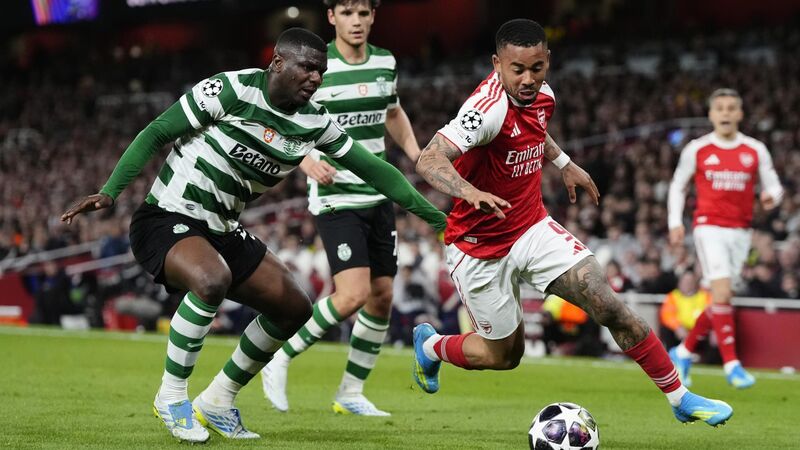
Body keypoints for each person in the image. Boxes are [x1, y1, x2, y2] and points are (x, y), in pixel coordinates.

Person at [60, 28, 446, 443]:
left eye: (321, 71)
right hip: (167, 216)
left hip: (224, 229)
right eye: (307, 67)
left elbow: (376, 170)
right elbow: (157, 131)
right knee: (212, 279)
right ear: (277, 62)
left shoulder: (314, 122)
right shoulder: (231, 90)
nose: (316, 78)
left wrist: (438, 219)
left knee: (294, 308)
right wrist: (111, 191)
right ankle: (171, 397)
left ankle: (218, 399)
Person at [411, 19, 732, 426]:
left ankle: (679, 397)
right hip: (478, 246)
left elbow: (535, 129)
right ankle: (432, 347)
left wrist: (564, 163)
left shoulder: (543, 95)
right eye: (517, 70)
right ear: (497, 64)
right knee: (503, 356)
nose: (528, 79)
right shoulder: (485, 109)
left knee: (605, 300)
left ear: (547, 61)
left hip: (530, 228)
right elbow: (429, 158)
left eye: (537, 68)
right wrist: (468, 191)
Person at [261, 0, 419, 417]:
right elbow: (278, 116)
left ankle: (351, 392)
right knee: (352, 295)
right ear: (331, 17)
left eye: (363, 13)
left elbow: (393, 112)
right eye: (347, 13)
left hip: (377, 194)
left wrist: (416, 153)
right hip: (336, 197)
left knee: (381, 297)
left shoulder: (385, 62)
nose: (356, 21)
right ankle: (279, 357)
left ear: (373, 16)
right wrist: (304, 159)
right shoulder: (315, 65)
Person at [667, 88, 784, 389]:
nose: (726, 113)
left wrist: (771, 197)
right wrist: (675, 222)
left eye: (732, 108)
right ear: (711, 114)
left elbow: (774, 186)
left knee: (722, 298)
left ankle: (683, 352)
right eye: (720, 108)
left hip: (741, 231)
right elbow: (678, 185)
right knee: (721, 292)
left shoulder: (755, 149)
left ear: (740, 114)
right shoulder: (698, 149)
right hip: (708, 227)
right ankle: (732, 364)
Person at [659, 270, 711, 351]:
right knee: (665, 330)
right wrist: (677, 326)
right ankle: (670, 354)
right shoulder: (673, 296)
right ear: (679, 283)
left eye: (690, 281)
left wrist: (696, 330)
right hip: (679, 330)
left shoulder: (705, 296)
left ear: (695, 283)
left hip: (700, 330)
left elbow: (710, 314)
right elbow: (667, 315)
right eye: (685, 281)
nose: (687, 284)